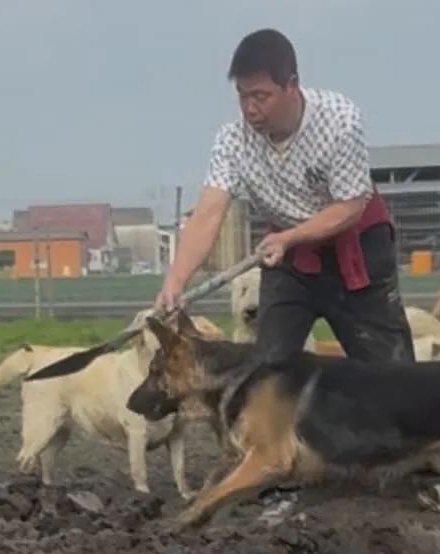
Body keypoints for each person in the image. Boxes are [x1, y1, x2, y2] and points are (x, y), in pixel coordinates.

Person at [155, 28, 414, 365]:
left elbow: (350, 206)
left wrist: (290, 237)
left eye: (261, 96)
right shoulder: (231, 141)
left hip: (356, 249)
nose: (250, 108)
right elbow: (207, 213)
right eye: (242, 95)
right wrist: (174, 283)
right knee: (268, 372)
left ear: (291, 86)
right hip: (289, 260)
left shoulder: (340, 120)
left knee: (393, 377)